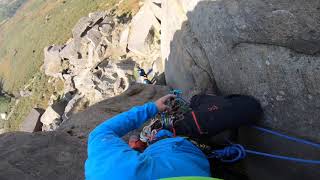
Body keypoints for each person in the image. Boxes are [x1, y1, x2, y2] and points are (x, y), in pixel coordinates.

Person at [85, 94, 262, 179]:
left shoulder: (102, 168)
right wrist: (152, 108)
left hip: (187, 157)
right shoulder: (101, 167)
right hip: (178, 147)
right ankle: (197, 102)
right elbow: (101, 133)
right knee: (247, 107)